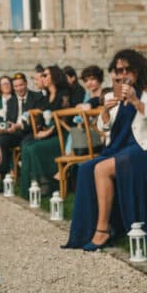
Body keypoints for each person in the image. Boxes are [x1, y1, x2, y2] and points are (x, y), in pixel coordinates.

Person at [65, 49, 147, 251]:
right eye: (119, 69)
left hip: (140, 148)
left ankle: (103, 230)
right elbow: (104, 128)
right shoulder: (113, 94)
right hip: (117, 147)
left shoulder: (144, 92)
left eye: (127, 69)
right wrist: (104, 112)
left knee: (101, 169)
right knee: (85, 168)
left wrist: (137, 102)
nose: (123, 74)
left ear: (137, 70)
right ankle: (86, 230)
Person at [18, 65, 70, 198]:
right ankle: (30, 186)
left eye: (45, 75)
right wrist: (41, 130)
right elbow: (43, 116)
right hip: (49, 132)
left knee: (35, 148)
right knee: (27, 146)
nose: (43, 78)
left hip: (62, 134)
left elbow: (64, 118)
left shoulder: (63, 94)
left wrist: (46, 133)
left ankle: (46, 184)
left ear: (54, 76)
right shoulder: (46, 97)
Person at [0, 71, 43, 190]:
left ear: (26, 84)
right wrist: (7, 127)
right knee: (1, 141)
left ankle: (25, 178)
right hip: (15, 133)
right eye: (16, 86)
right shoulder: (11, 101)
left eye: (21, 85)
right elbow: (10, 119)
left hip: (30, 131)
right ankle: (3, 177)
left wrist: (19, 126)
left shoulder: (36, 97)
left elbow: (37, 121)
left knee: (25, 143)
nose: (19, 89)